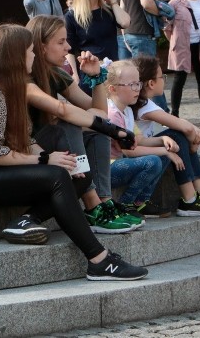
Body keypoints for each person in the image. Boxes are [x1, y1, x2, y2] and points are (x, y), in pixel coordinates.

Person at [0, 24, 147, 281]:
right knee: (57, 176)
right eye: (29, 51)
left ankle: (27, 220)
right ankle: (99, 259)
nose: (34, 56)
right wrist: (45, 159)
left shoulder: (12, 87)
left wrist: (60, 162)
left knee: (79, 175)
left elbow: (26, 140)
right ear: (15, 55)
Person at [26, 15, 141, 233]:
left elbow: (99, 113)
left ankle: (104, 201)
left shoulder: (56, 73)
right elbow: (63, 112)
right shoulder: (27, 76)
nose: (68, 47)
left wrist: (96, 77)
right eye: (61, 42)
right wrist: (112, 129)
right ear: (41, 47)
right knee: (68, 124)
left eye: (67, 40)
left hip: (53, 143)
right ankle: (91, 203)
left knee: (96, 131)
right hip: (30, 147)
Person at [131, 55, 200, 216]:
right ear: (151, 83)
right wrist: (195, 133)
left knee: (177, 136)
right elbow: (182, 126)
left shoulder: (143, 102)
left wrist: (191, 136)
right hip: (139, 158)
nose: (164, 80)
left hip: (144, 152)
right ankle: (190, 199)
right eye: (162, 77)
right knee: (177, 136)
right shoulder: (144, 107)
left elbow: (180, 125)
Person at [106, 60, 175, 218]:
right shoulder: (112, 114)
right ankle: (125, 203)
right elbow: (129, 151)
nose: (137, 89)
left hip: (121, 163)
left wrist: (163, 139)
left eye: (138, 84)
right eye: (131, 85)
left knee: (162, 158)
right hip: (107, 169)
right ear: (113, 89)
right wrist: (163, 151)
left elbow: (140, 140)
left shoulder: (127, 111)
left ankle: (140, 202)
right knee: (155, 160)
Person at [64, 0, 130, 92]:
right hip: (89, 75)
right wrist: (74, 76)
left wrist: (112, 1)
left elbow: (125, 23)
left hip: (112, 73)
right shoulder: (72, 16)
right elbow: (70, 51)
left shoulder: (108, 11)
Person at [120, 0, 168, 111]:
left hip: (128, 34)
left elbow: (122, 7)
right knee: (151, 78)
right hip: (142, 34)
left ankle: (137, 113)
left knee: (132, 79)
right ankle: (162, 116)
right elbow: (146, 2)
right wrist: (161, 12)